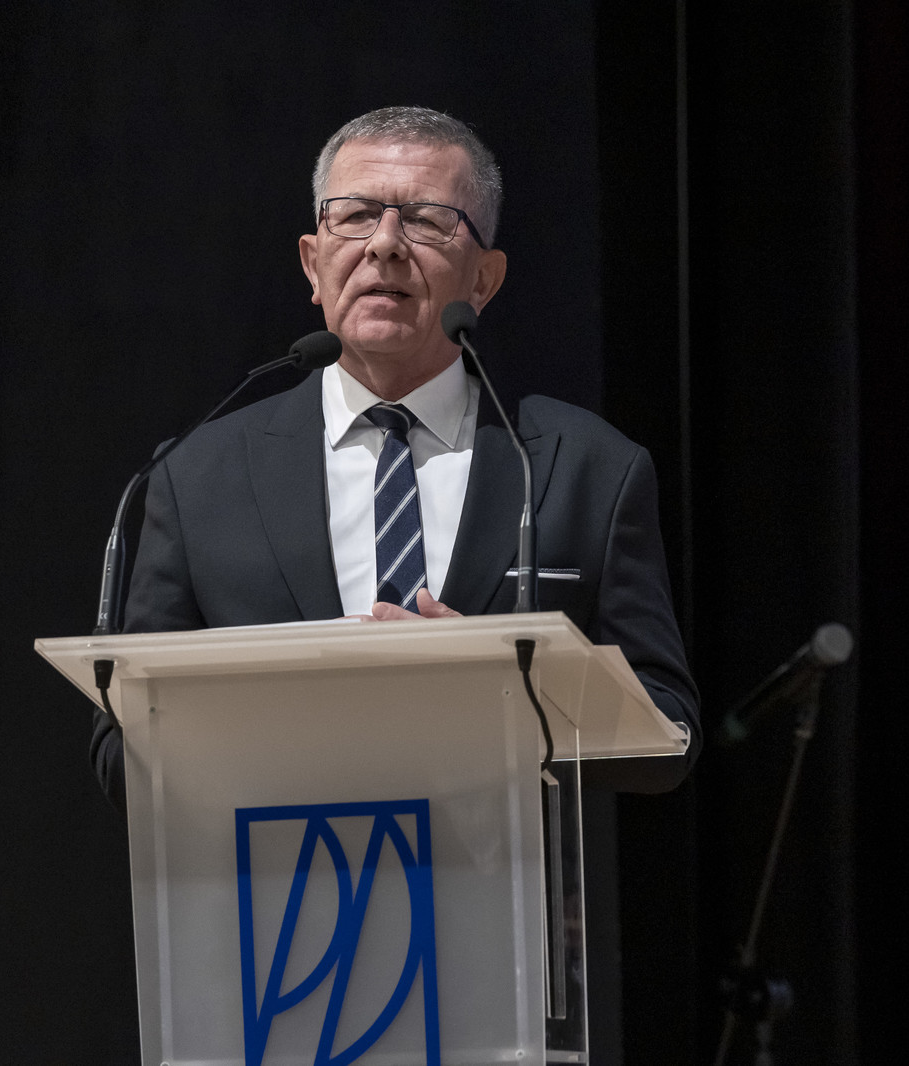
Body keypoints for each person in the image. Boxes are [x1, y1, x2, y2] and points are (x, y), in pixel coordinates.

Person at [88, 105, 699, 805]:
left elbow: (670, 737)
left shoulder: (584, 468)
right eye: (354, 216)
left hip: (503, 870)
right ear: (312, 264)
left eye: (427, 220)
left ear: (484, 280)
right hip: (275, 869)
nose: (384, 244)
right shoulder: (195, 477)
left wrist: (504, 690)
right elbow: (120, 748)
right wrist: (282, 719)